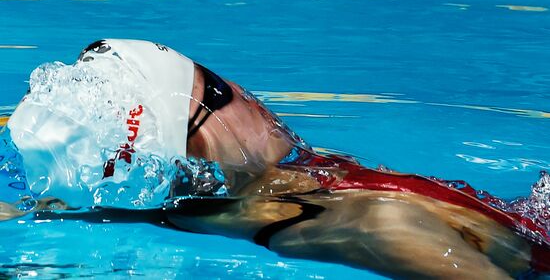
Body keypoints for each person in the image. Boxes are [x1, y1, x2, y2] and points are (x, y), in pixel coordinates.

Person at [5, 39, 550, 279]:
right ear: (194, 154)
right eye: (216, 91)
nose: (242, 89)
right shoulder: (371, 222)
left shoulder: (193, 207)